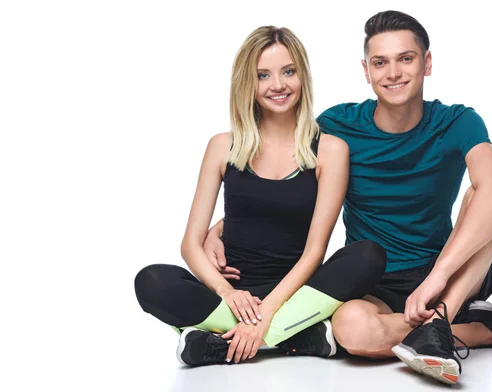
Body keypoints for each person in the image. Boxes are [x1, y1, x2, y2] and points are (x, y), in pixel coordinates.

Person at [203, 12, 492, 384]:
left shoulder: (458, 121)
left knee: (483, 193)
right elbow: (283, 190)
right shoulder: (336, 128)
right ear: (366, 71)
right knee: (351, 332)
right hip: (374, 278)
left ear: (427, 63)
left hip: (450, 273)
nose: (393, 73)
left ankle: (443, 317)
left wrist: (436, 280)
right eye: (380, 62)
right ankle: (486, 330)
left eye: (405, 59)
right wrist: (218, 230)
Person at [134, 26, 387, 367]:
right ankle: (296, 336)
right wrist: (228, 293)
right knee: (150, 281)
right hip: (231, 297)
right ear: (247, 84)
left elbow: (316, 250)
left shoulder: (330, 150)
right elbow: (190, 245)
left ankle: (219, 342)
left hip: (297, 293)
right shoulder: (222, 146)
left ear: (303, 76)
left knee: (368, 255)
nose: (278, 85)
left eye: (288, 71)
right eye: (263, 75)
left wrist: (268, 312)